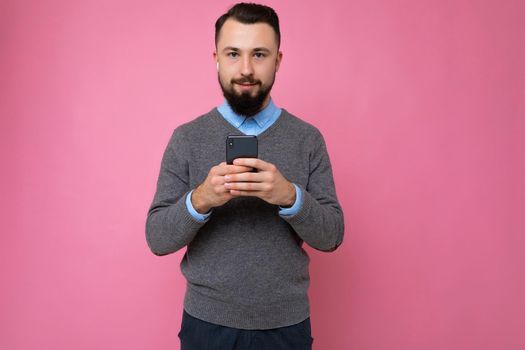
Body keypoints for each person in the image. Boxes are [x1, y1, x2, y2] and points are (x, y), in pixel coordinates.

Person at [145, 3, 344, 349]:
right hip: (207, 325)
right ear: (216, 58)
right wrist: (201, 199)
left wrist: (290, 197)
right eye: (234, 53)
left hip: (287, 326)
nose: (246, 69)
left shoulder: (307, 139)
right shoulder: (187, 138)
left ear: (278, 60)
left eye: (260, 54)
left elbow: (332, 235)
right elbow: (157, 239)